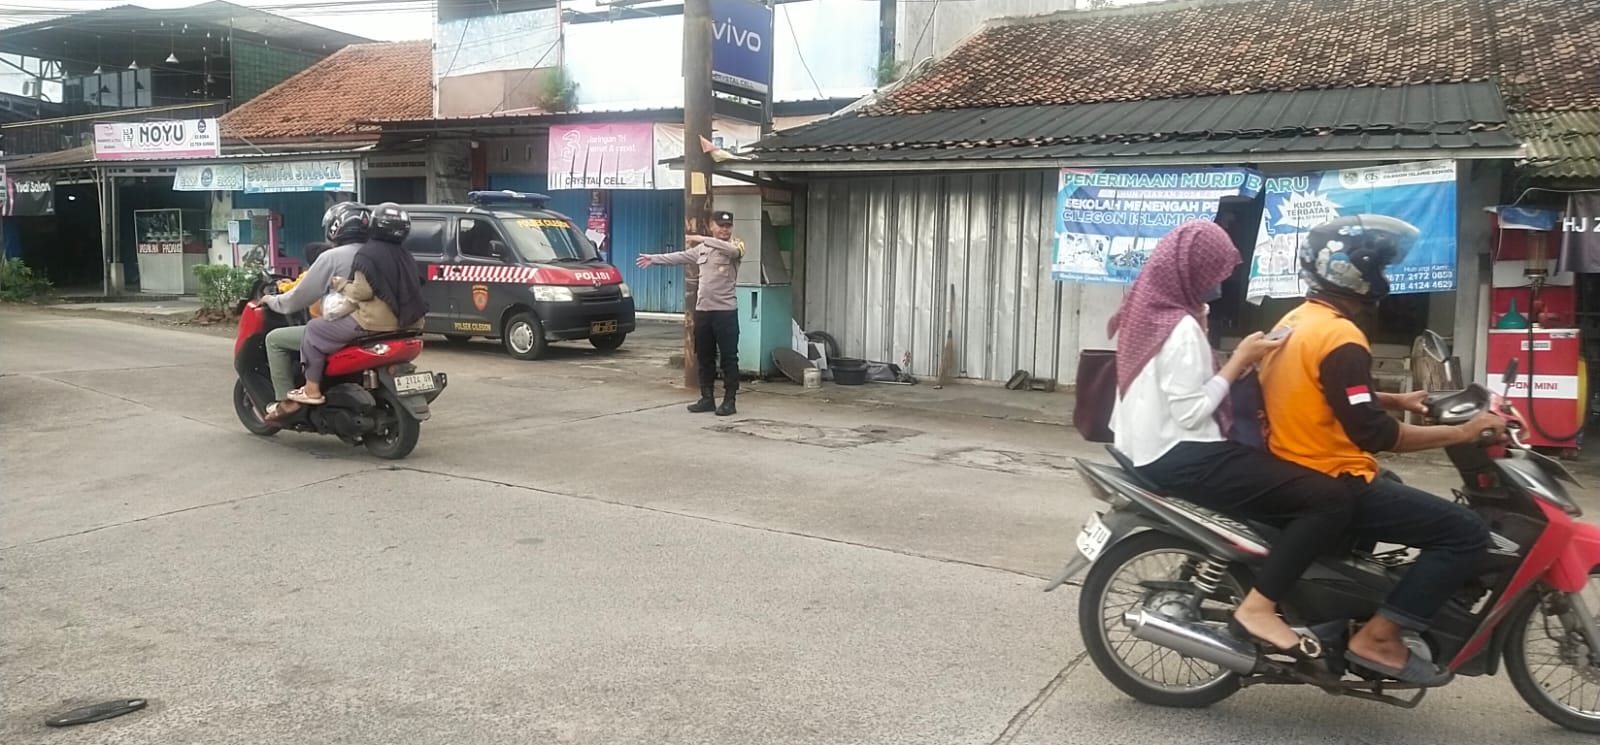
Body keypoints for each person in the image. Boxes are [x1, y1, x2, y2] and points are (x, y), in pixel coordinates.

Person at [1256, 214, 1502, 686]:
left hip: (1294, 464)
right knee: (1465, 532)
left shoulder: (1299, 320)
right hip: (1331, 476)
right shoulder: (1343, 337)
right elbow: (1378, 436)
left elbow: (1321, 387)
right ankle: (1379, 637)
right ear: (1355, 272)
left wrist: (1397, 399)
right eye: (1380, 266)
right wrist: (1463, 433)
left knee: (1393, 484)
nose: (1384, 275)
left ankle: (1338, 606)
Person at [1108, 220, 1355, 658]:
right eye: (1216, 273)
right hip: (1184, 455)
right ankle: (1260, 608)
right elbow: (1190, 411)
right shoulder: (1179, 328)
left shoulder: (1147, 312)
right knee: (1329, 499)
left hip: (1145, 448)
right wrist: (1240, 360)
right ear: (1191, 271)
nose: (1221, 283)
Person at [286, 202, 429, 407]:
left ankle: (312, 389)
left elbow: (362, 292)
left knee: (314, 329)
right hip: (411, 323)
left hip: (375, 324)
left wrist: (341, 284)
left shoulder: (367, 253)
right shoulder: (404, 254)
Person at [261, 203, 371, 421]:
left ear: (336, 226)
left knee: (275, 339)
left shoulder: (332, 257)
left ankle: (286, 400)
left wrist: (272, 301)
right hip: (389, 324)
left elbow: (300, 296)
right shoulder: (378, 253)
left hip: (352, 325)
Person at [636, 210, 746, 416]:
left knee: (729, 358)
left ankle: (729, 401)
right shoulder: (702, 250)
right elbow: (680, 257)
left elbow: (733, 252)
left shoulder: (735, 245)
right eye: (720, 225)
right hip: (703, 311)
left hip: (725, 313)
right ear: (712, 226)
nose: (724, 230)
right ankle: (707, 398)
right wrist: (654, 258)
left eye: (728, 226)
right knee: (704, 356)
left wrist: (701, 238)